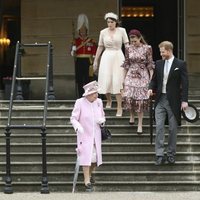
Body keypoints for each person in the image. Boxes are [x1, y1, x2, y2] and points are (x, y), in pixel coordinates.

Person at [148, 41, 189, 165]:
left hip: (174, 101)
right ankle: (159, 155)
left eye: (162, 51)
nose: (161, 54)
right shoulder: (159, 64)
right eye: (160, 51)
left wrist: (184, 100)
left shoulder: (180, 64)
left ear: (169, 50)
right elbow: (154, 80)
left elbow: (185, 84)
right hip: (160, 100)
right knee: (159, 128)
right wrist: (150, 88)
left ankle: (171, 154)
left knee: (172, 129)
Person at [70, 80, 105, 192]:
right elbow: (73, 118)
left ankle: (89, 175)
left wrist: (102, 121)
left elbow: (102, 115)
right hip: (84, 134)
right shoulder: (79, 102)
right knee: (86, 157)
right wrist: (77, 127)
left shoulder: (99, 102)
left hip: (96, 134)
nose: (97, 95)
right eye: (95, 93)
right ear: (89, 94)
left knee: (95, 159)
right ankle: (87, 181)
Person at [93, 12, 129, 117]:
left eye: (111, 22)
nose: (109, 24)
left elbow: (126, 45)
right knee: (106, 80)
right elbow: (100, 46)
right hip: (106, 56)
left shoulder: (122, 31)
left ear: (116, 22)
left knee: (118, 81)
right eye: (108, 22)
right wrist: (96, 60)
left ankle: (119, 106)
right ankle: (108, 100)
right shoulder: (103, 32)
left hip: (118, 55)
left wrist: (128, 59)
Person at [121, 29, 154, 134]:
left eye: (135, 41)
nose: (133, 43)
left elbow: (150, 64)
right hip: (131, 74)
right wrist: (123, 78)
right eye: (132, 41)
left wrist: (151, 79)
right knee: (129, 97)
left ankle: (140, 124)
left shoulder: (147, 48)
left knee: (140, 100)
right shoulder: (128, 48)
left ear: (140, 38)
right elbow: (126, 63)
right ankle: (131, 115)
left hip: (143, 74)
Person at [71, 14, 97, 97]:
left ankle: (88, 95)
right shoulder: (75, 41)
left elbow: (94, 51)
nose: (82, 32)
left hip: (88, 61)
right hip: (79, 61)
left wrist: (94, 57)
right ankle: (80, 96)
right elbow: (72, 53)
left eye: (84, 30)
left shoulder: (91, 41)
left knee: (88, 79)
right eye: (81, 30)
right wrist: (73, 50)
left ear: (86, 31)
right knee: (79, 79)